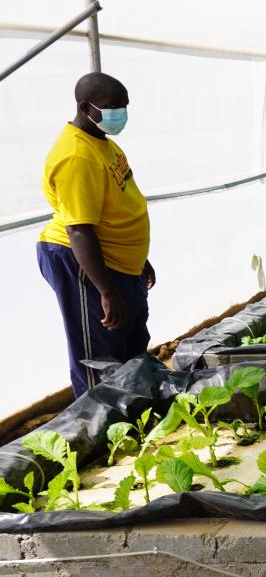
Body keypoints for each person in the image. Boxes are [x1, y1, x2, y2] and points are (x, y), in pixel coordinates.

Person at [37, 72, 153, 397]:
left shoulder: (103, 144)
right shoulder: (77, 156)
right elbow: (79, 229)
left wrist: (139, 258)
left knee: (131, 340)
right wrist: (106, 290)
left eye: (124, 105)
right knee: (98, 357)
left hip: (119, 261)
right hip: (83, 262)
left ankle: (135, 413)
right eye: (113, 106)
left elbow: (117, 206)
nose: (121, 113)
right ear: (86, 106)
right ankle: (103, 430)